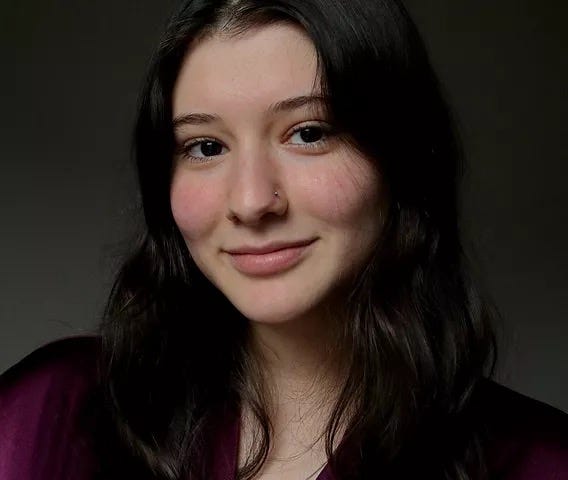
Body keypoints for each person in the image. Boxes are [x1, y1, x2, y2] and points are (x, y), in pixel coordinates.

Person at [1, 0, 567, 479]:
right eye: (205, 146)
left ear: (402, 159)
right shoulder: (49, 415)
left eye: (308, 133)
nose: (251, 201)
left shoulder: (542, 461)